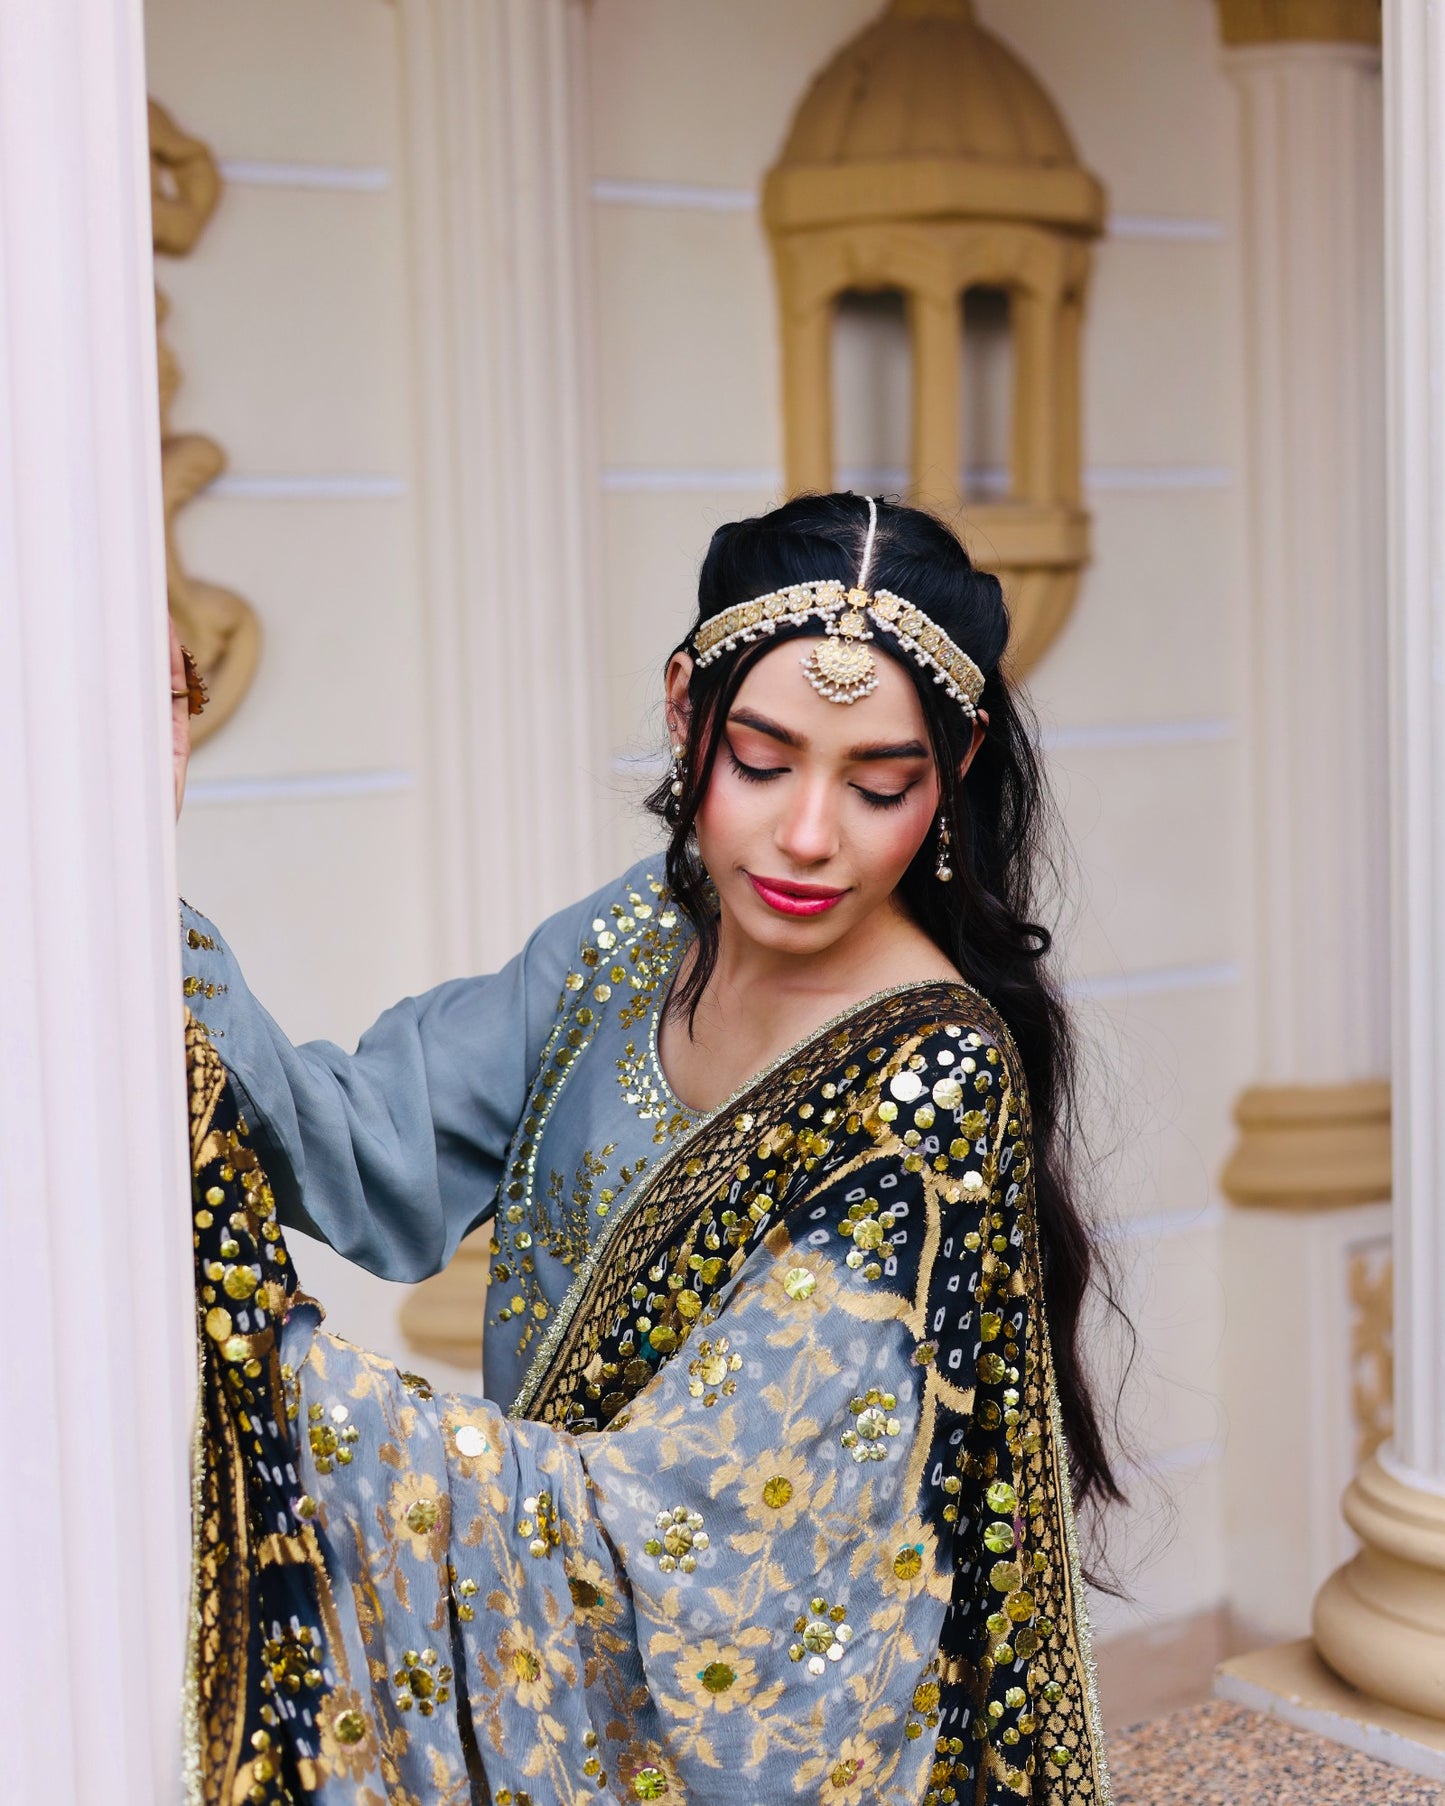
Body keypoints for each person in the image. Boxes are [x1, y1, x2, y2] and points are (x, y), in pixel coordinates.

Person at [178, 494, 1118, 1805]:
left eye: (879, 785)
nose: (808, 836)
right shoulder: (642, 934)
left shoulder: (926, 1079)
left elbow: (714, 1538)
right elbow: (369, 1153)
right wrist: (135, 861)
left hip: (764, 1724)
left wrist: (291, 1389)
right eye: (762, 761)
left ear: (952, 767)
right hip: (564, 1658)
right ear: (686, 711)